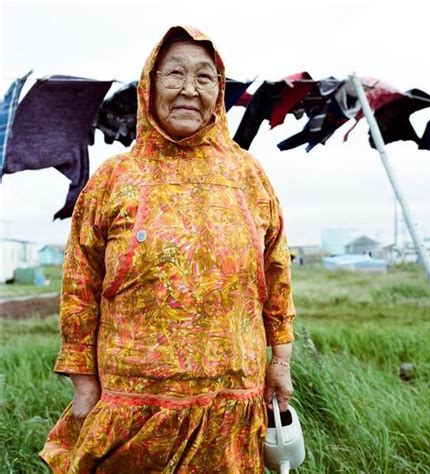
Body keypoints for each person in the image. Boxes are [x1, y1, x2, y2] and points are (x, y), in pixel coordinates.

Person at [40, 25, 295, 473]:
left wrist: (281, 361)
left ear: (219, 91)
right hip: (133, 404)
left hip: (231, 402)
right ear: (149, 85)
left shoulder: (247, 174)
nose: (188, 90)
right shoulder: (114, 178)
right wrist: (83, 383)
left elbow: (275, 274)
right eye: (174, 74)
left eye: (204, 77)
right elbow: (80, 285)